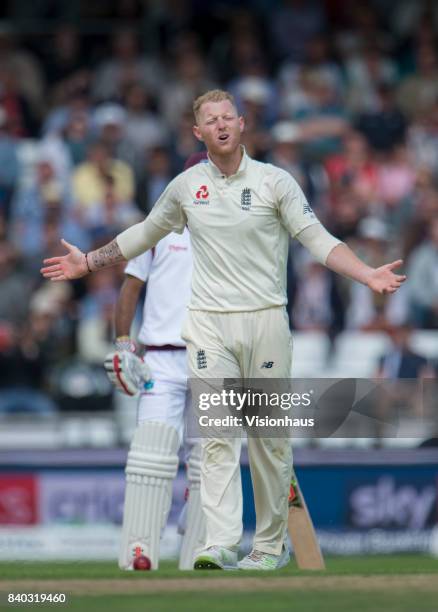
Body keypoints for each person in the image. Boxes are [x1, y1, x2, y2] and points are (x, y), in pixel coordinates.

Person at [41, 89, 406, 570]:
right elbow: (143, 235)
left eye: (227, 117)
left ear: (241, 123)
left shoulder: (277, 183)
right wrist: (88, 262)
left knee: (268, 441)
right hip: (209, 327)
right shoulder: (185, 186)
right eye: (209, 120)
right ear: (198, 132)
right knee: (215, 436)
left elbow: (318, 239)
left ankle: (270, 547)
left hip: (265, 321)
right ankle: (219, 541)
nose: (220, 125)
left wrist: (367, 273)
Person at [106, 152, 207, 571]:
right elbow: (131, 288)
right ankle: (139, 551)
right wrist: (124, 342)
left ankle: (202, 551)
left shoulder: (238, 231)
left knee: (210, 461)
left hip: (214, 358)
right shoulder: (157, 226)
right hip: (162, 360)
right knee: (151, 455)